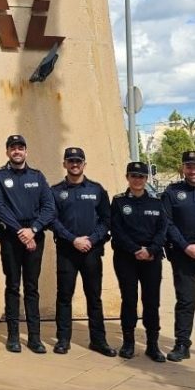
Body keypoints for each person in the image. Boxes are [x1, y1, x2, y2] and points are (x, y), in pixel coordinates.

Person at [0, 134, 55, 354]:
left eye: (20, 148)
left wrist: (33, 230)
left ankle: (35, 338)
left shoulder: (38, 176)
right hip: (11, 237)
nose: (17, 151)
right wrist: (21, 232)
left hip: (34, 236)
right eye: (13, 148)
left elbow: (49, 207)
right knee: (13, 286)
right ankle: (13, 336)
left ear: (26, 151)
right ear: (7, 151)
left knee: (32, 287)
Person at [49, 147, 116, 356]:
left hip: (92, 251)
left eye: (78, 161)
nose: (74, 164)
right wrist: (73, 239)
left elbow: (107, 220)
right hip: (67, 251)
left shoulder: (97, 190)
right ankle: (62, 339)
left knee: (94, 297)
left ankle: (98, 340)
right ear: (65, 164)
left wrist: (91, 239)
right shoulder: (55, 191)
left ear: (84, 164)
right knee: (64, 296)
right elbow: (52, 220)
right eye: (71, 161)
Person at [110, 161, 167, 362]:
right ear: (127, 177)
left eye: (141, 176)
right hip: (127, 257)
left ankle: (153, 345)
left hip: (151, 258)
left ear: (146, 179)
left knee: (151, 302)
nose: (137, 179)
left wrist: (150, 250)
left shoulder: (156, 202)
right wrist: (135, 249)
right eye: (133, 176)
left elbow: (162, 230)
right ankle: (128, 342)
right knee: (129, 299)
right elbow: (116, 230)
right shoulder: (118, 202)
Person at [162, 150, 195, 362]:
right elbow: (167, 223)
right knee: (185, 300)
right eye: (189, 166)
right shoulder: (172, 192)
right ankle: (182, 343)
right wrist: (185, 246)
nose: (193, 170)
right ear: (182, 168)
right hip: (183, 255)